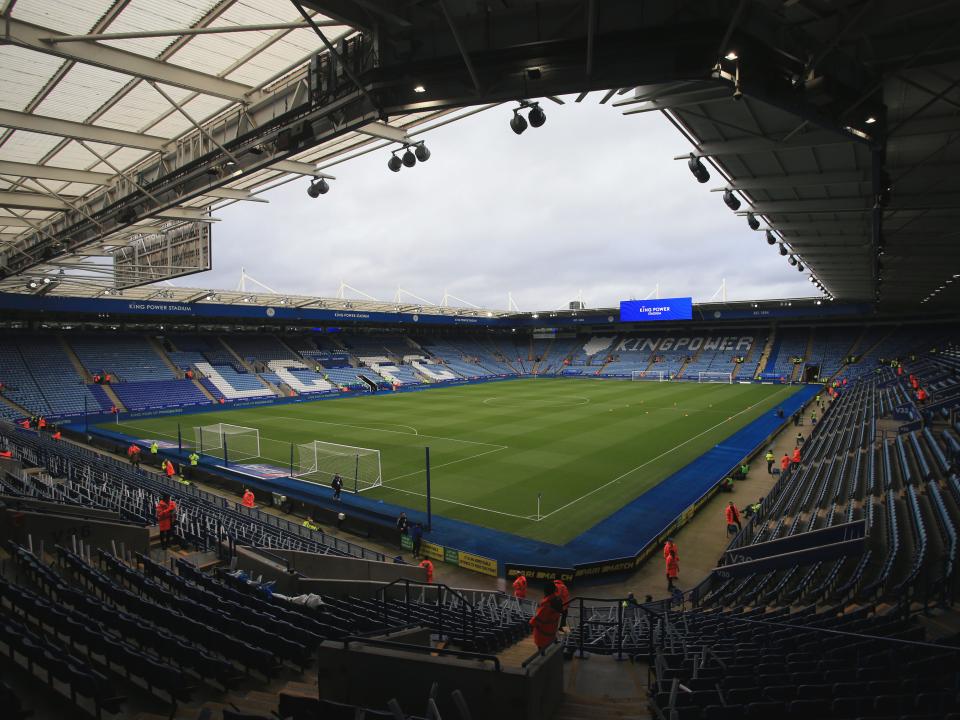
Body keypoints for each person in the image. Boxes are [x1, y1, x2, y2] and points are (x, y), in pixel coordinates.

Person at [529, 582, 564, 653]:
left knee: (541, 649)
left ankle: (542, 656)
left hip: (543, 633)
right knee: (548, 645)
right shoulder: (558, 600)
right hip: (552, 631)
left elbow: (537, 619)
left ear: (545, 591)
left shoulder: (547, 604)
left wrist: (530, 624)